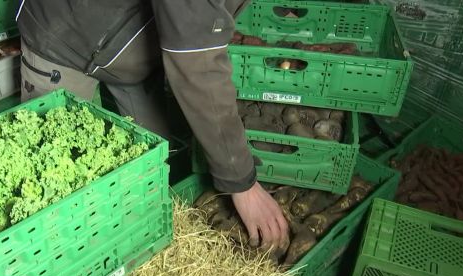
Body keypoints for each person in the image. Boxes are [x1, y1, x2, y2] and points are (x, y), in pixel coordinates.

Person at [16, 0, 288, 249]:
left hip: (130, 41)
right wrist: (242, 184)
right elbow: (198, 66)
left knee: (157, 164)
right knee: (55, 182)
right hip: (63, 36)